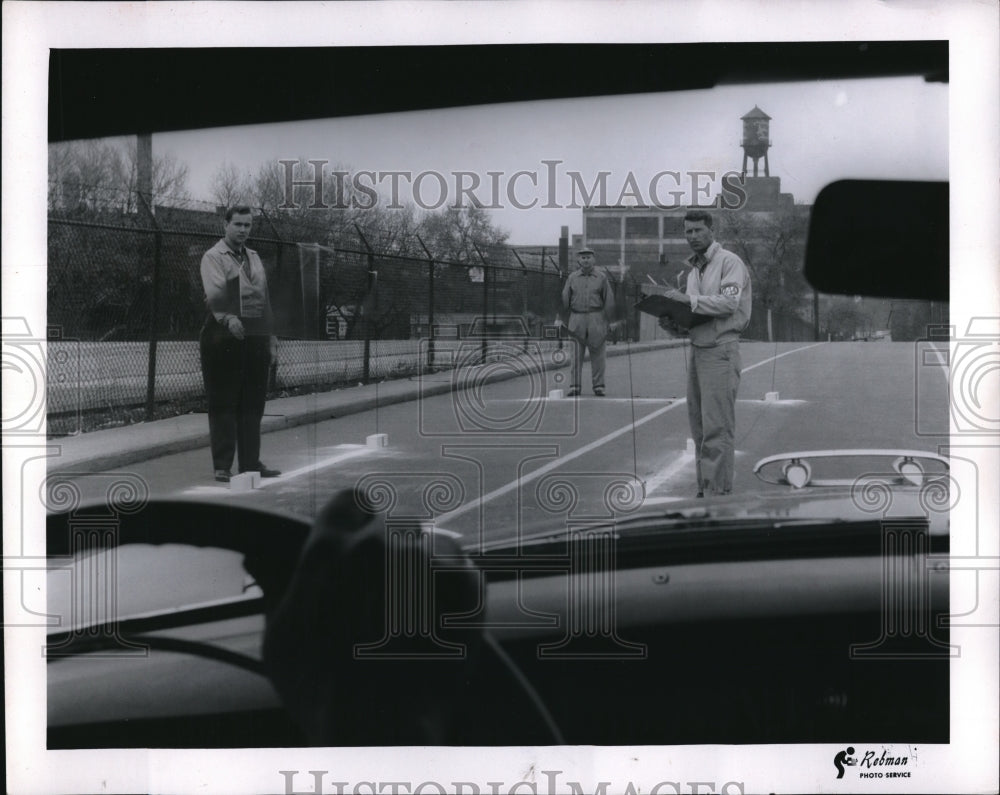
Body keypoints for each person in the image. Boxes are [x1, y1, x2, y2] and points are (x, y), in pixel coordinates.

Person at [658, 210, 751, 496]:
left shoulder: (729, 262)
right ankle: (706, 486)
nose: (693, 236)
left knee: (717, 427)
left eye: (698, 230)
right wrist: (673, 323)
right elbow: (696, 317)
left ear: (712, 231)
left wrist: (688, 300)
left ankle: (717, 491)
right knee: (699, 426)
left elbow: (728, 303)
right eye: (688, 232)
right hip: (699, 350)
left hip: (721, 351)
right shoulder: (694, 270)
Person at [199, 206, 281, 483]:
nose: (243, 230)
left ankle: (250, 462)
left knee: (252, 402)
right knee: (224, 401)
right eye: (238, 224)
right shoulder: (214, 256)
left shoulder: (254, 257)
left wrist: (270, 338)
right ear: (226, 225)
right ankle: (222, 465)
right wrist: (229, 319)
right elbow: (215, 294)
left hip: (254, 334)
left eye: (247, 225)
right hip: (223, 335)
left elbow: (264, 299)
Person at [561, 247, 615, 396]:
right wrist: (561, 318)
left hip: (596, 317)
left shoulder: (601, 277)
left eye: (588, 257)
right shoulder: (572, 277)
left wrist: (610, 321)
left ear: (594, 260)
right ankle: (574, 386)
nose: (586, 260)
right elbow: (565, 298)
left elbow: (609, 299)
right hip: (576, 317)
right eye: (583, 257)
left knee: (598, 354)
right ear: (578, 260)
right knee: (575, 354)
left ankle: (599, 386)